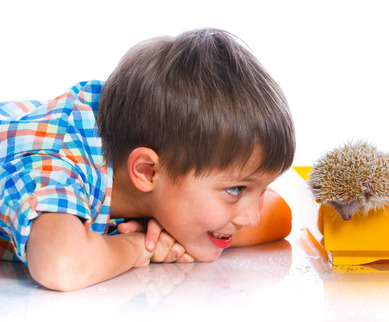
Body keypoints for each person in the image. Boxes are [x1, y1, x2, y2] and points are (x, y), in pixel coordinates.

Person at [0, 28, 296, 291]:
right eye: (237, 190)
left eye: (260, 188)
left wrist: (173, 227)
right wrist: (140, 245)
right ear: (147, 171)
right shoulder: (57, 165)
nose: (252, 217)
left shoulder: (156, 139)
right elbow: (62, 266)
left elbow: (278, 215)